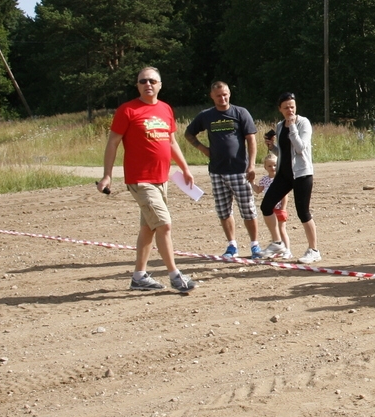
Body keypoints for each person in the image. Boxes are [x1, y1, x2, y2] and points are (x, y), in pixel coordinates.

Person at [97, 66, 197, 292]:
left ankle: (139, 277)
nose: (148, 84)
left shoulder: (165, 109)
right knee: (164, 224)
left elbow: (171, 142)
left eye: (152, 80)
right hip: (140, 180)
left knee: (149, 229)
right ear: (137, 85)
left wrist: (185, 168)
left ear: (160, 85)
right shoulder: (127, 110)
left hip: (161, 179)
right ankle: (175, 276)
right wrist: (107, 175)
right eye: (143, 81)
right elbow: (112, 142)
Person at [185, 81, 261, 259]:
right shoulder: (206, 116)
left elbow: (251, 140)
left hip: (239, 170)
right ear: (212, 96)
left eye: (225, 94)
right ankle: (232, 245)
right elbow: (189, 134)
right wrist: (203, 149)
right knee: (223, 210)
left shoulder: (240, 113)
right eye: (218, 95)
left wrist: (251, 164)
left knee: (248, 209)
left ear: (229, 94)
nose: (223, 98)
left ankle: (255, 246)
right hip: (217, 171)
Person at [261, 92, 319, 263]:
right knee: (266, 205)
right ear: (280, 109)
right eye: (286, 107)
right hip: (284, 174)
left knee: (303, 212)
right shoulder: (279, 126)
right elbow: (284, 152)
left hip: (302, 173)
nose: (290, 110)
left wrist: (292, 126)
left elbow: (301, 148)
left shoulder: (303, 123)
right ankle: (277, 242)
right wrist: (272, 147)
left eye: (292, 107)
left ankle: (314, 250)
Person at [256, 154, 288, 257]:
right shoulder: (264, 180)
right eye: (269, 166)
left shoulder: (280, 179)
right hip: (270, 209)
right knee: (274, 230)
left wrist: (283, 208)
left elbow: (284, 195)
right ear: (265, 167)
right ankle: (277, 249)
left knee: (282, 229)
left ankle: (287, 250)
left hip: (279, 208)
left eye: (274, 165)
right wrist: (251, 182)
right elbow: (258, 190)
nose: (272, 168)